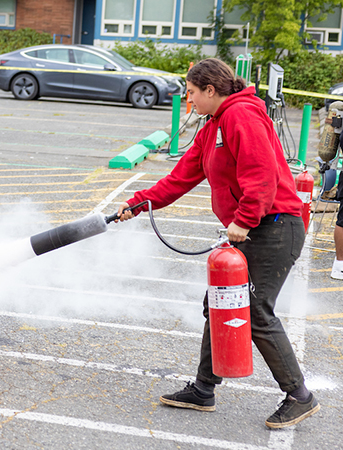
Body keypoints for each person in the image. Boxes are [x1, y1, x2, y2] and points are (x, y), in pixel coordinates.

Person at [116, 58, 320, 428]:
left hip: (275, 226)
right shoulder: (213, 126)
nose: (189, 101)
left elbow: (261, 173)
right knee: (220, 302)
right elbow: (181, 177)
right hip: (255, 227)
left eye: (192, 93)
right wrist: (139, 202)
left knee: (255, 311)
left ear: (211, 90)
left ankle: (299, 395)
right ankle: (204, 389)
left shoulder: (242, 115)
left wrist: (243, 220)